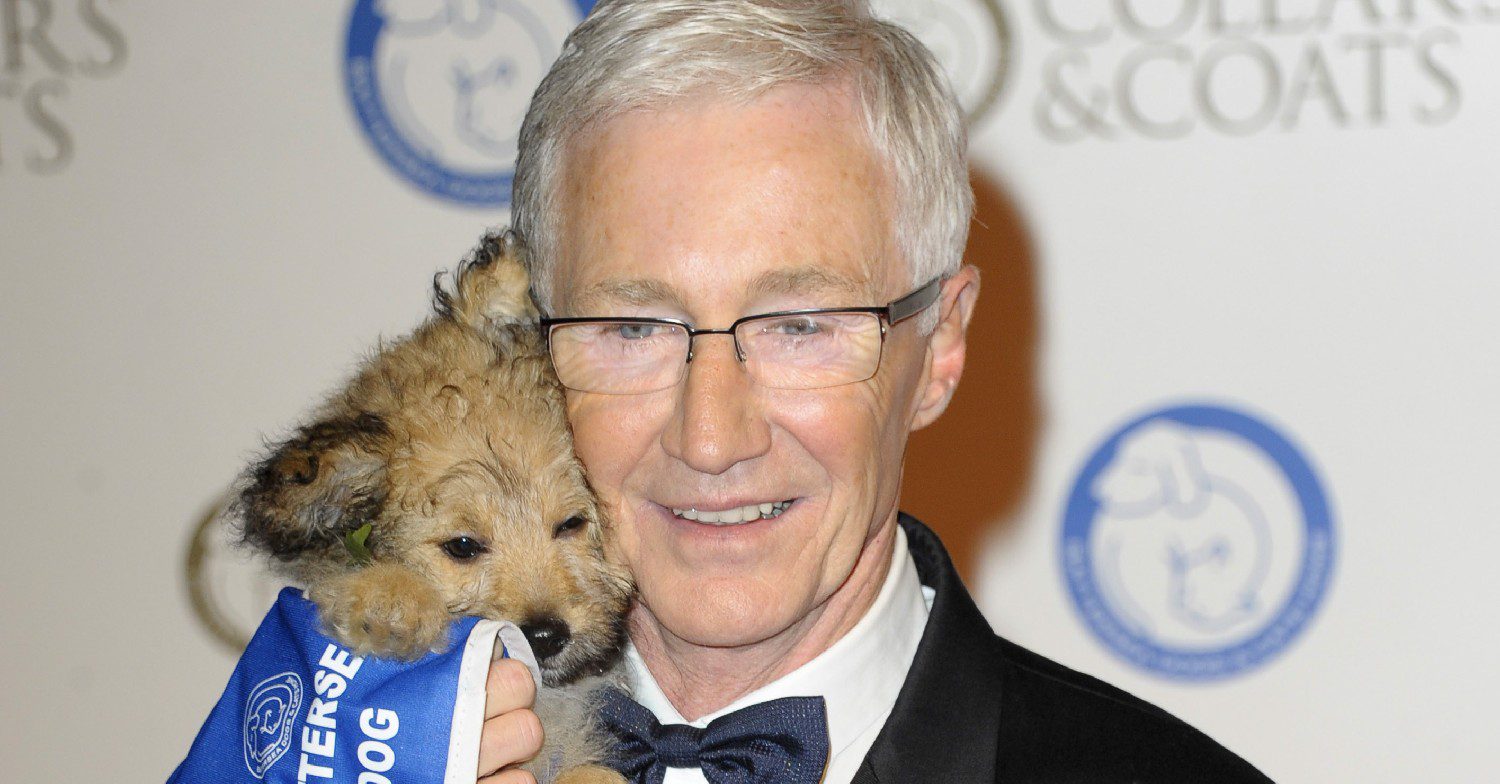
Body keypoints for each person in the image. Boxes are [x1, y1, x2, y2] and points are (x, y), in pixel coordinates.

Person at [472, 1, 1271, 781]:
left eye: (800, 327)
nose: (710, 439)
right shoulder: (376, 753)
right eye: (634, 328)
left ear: (939, 349)